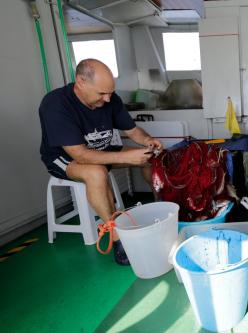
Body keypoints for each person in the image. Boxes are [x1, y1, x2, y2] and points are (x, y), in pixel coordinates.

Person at [39, 59, 163, 265]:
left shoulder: (110, 99)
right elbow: (80, 155)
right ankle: (115, 235)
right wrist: (125, 157)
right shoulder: (55, 104)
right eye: (101, 94)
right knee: (96, 172)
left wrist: (147, 141)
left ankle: (160, 207)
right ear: (80, 82)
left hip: (101, 150)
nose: (107, 99)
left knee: (149, 159)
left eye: (110, 93)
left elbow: (132, 131)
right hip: (65, 158)